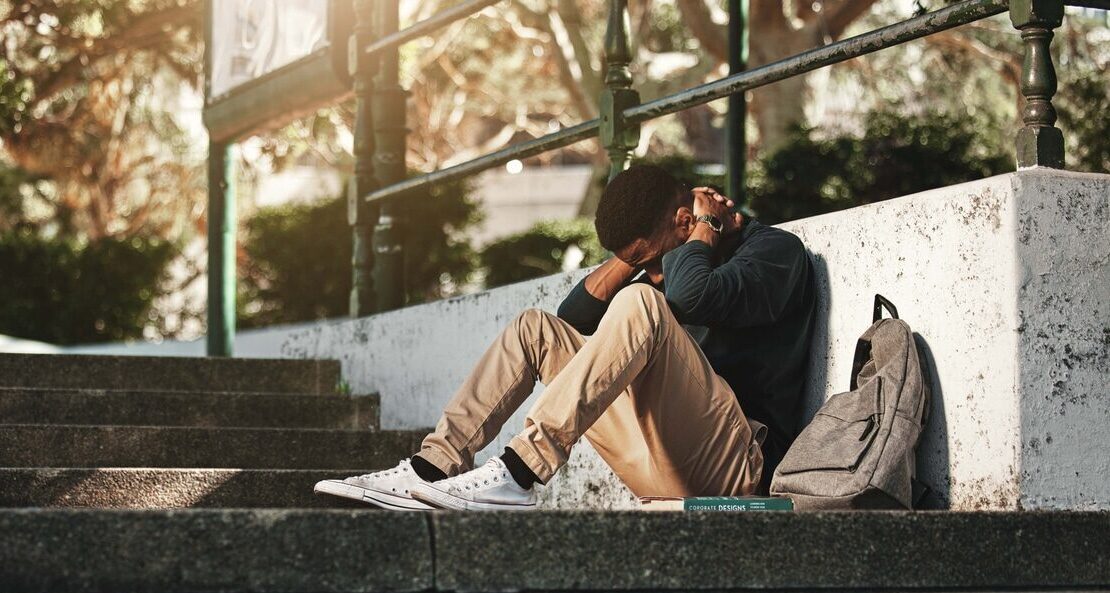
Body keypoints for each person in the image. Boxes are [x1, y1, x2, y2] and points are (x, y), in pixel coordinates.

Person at [315, 164, 816, 511]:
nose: (648, 271)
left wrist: (702, 227)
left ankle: (520, 473)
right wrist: (637, 253)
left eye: (647, 258)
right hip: (661, 459)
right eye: (640, 262)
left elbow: (692, 296)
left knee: (640, 303)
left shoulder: (772, 253)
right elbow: (573, 317)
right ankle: (431, 469)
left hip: (740, 467)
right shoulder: (673, 264)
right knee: (535, 329)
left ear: (685, 223)